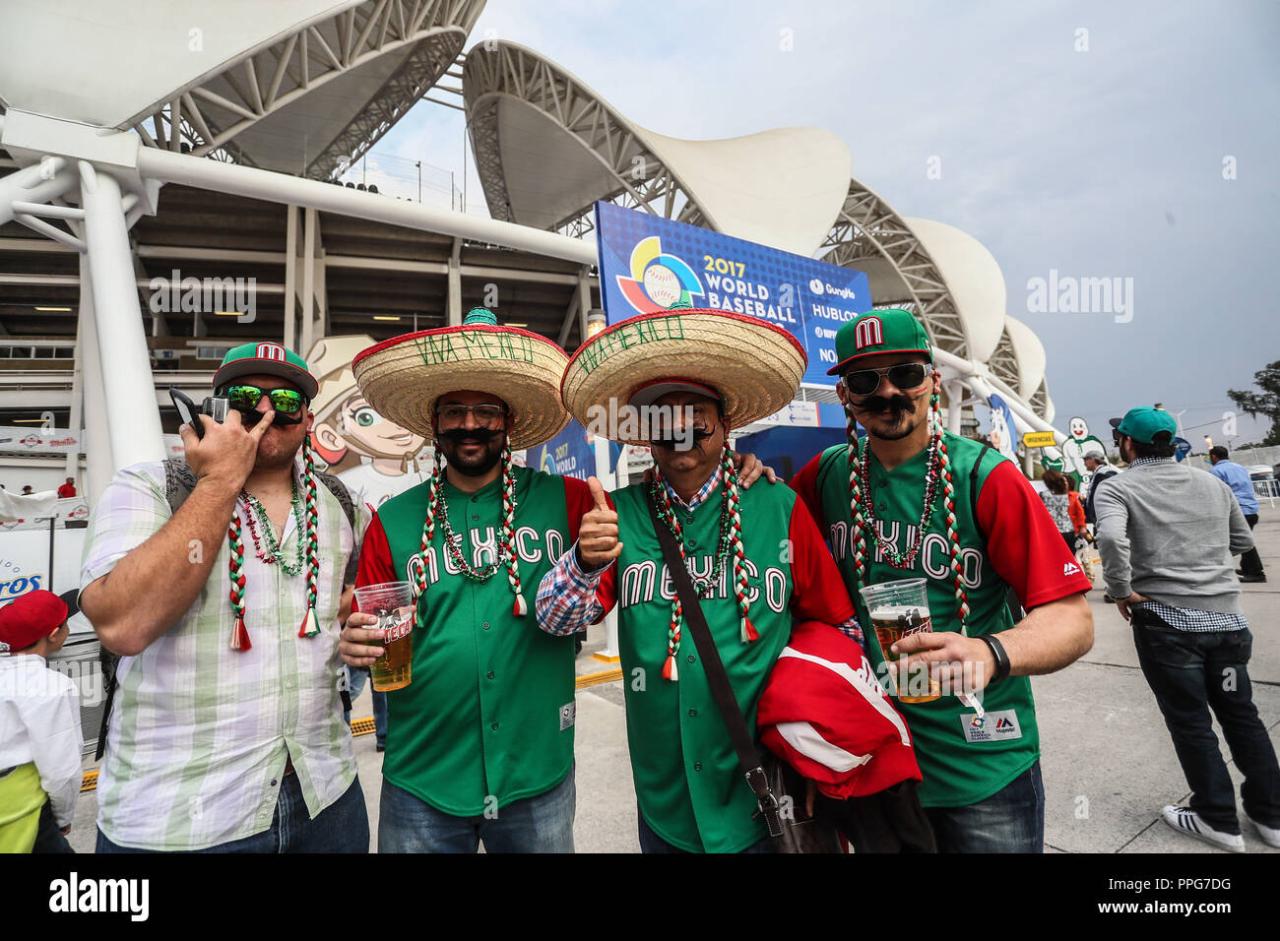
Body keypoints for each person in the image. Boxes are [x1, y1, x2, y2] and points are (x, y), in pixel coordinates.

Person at [537, 305, 868, 854]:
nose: (680, 431)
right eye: (661, 421)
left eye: (695, 415)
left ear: (725, 424)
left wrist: (821, 745)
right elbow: (556, 621)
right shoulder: (616, 515)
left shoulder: (778, 505)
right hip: (667, 803)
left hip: (767, 795)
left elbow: (838, 628)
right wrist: (584, 562)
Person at [790, 308, 1094, 853]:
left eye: (904, 374)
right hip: (872, 765)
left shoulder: (986, 477)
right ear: (845, 396)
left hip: (980, 764)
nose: (887, 394)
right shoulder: (825, 477)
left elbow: (1071, 619)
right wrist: (745, 472)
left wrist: (989, 652)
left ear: (932, 380)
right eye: (865, 381)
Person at [79, 340, 371, 853]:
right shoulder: (147, 488)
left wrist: (355, 629)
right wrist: (219, 480)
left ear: (306, 419)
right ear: (214, 409)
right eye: (244, 397)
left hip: (326, 799)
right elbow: (124, 625)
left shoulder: (345, 507)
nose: (264, 411)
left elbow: (355, 609)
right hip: (181, 819)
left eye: (285, 402)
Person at [1096, 407, 1279, 851]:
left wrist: (1122, 589)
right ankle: (1271, 817)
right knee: (1242, 714)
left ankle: (1216, 817)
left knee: (1190, 720)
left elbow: (1110, 540)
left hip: (1167, 624)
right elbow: (1242, 541)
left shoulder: (1117, 488)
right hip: (1228, 624)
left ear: (1126, 444)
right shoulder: (1212, 483)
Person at [0, 590, 81, 853]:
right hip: (24, 807)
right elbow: (61, 770)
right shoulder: (54, 687)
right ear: (55, 634)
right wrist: (63, 817)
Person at [1208, 445, 1266, 583]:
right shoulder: (1239, 467)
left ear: (1214, 457)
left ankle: (1257, 573)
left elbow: (1216, 493)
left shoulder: (1216, 471)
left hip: (1237, 511)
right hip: (1251, 509)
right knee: (1244, 539)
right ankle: (1247, 568)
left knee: (1243, 542)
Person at [1040, 468, 1086, 553]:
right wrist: (1082, 526)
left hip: (1053, 532)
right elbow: (1080, 512)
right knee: (1070, 557)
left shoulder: (1043, 496)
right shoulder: (1068, 494)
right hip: (1069, 530)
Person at [1082, 444, 1118, 527]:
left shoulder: (1104, 473)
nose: (1084, 463)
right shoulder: (1099, 473)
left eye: (1086, 459)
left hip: (1103, 520)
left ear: (1093, 460)